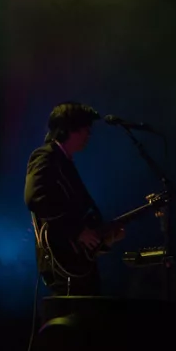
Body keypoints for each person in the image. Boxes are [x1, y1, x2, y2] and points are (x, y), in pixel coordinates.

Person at [24, 102, 122, 296]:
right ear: (70, 130)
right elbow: (35, 197)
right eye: (86, 129)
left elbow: (79, 215)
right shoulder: (46, 156)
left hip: (76, 263)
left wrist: (104, 239)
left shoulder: (64, 161)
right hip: (61, 262)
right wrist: (77, 231)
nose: (89, 135)